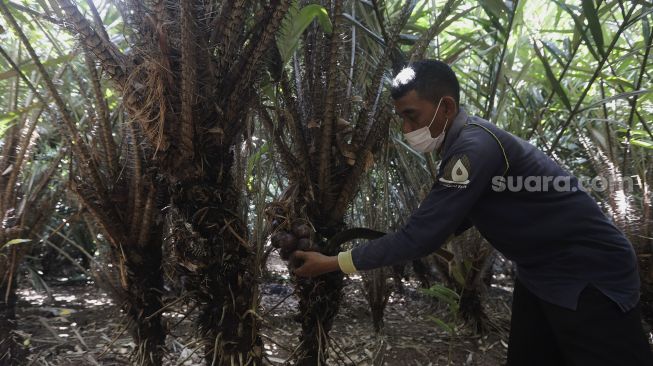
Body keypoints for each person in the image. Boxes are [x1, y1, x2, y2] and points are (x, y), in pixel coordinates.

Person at [291, 60, 653, 365]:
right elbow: (441, 225)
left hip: (588, 274)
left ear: (446, 107)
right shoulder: (463, 144)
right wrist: (403, 241)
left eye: (411, 116)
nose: (406, 129)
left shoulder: (472, 149)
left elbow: (423, 236)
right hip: (540, 273)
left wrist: (330, 262)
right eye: (401, 118)